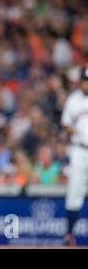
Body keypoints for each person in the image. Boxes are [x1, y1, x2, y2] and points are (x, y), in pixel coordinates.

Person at [61, 64, 88, 247]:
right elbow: (66, 123)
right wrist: (73, 132)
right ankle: (69, 235)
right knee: (74, 195)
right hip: (79, 150)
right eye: (85, 81)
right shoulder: (73, 100)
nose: (86, 84)